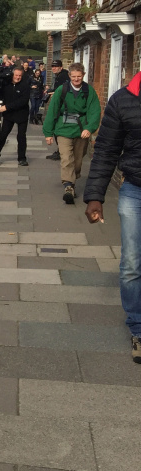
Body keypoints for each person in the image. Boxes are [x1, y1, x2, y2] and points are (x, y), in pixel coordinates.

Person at [84, 70, 141, 363]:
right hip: (135, 190)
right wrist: (95, 196)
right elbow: (106, 150)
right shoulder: (124, 100)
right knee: (132, 262)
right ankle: (139, 329)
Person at [42, 62, 101, 204]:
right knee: (66, 158)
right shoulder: (61, 90)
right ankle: (68, 186)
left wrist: (89, 128)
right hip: (63, 129)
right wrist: (48, 133)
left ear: (83, 75)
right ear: (69, 76)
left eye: (79, 77)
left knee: (78, 161)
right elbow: (53, 111)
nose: (76, 79)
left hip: (81, 130)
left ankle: (72, 182)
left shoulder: (89, 91)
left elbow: (95, 111)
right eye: (73, 76)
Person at [0, 66, 30, 166]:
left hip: (21, 114)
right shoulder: (6, 84)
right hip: (9, 115)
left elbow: (23, 101)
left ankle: (22, 158)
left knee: (21, 136)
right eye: (16, 75)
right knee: (3, 134)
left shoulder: (25, 85)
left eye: (20, 75)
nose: (18, 77)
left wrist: (6, 107)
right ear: (12, 74)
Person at [44, 59, 70, 160]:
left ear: (61, 67)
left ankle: (61, 151)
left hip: (63, 107)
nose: (54, 68)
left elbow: (65, 90)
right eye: (52, 66)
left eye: (56, 66)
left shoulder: (64, 76)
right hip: (61, 105)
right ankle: (60, 150)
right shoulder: (60, 76)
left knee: (58, 128)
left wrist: (54, 93)